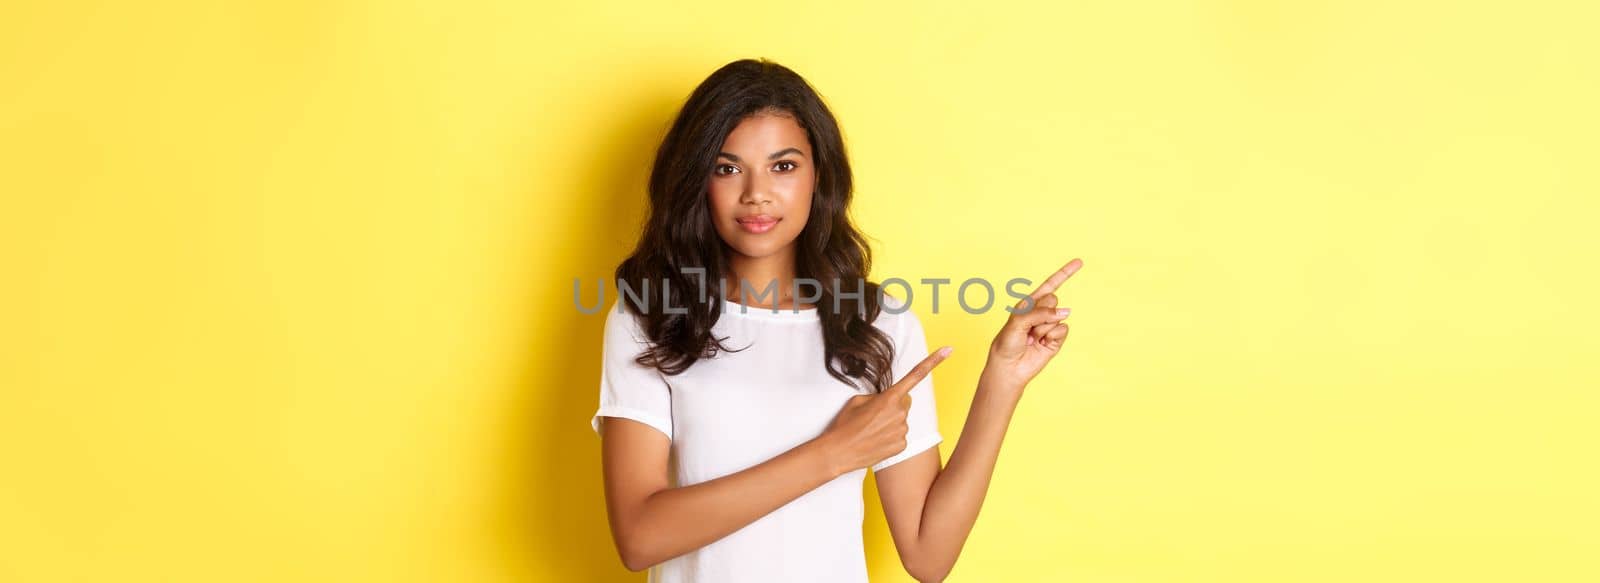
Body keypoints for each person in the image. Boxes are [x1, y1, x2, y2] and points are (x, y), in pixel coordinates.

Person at [590, 57, 1082, 582]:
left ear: (818, 176)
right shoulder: (651, 316)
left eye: (783, 166)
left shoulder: (879, 324)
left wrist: (1002, 382)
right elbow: (640, 537)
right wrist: (833, 453)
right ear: (697, 180)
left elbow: (928, 556)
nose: (756, 192)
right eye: (727, 168)